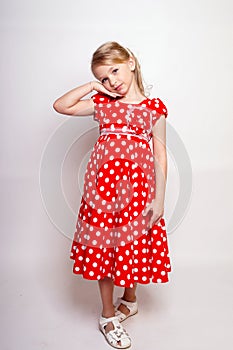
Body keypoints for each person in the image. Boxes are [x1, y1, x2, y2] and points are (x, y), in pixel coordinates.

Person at [53, 41, 172, 349]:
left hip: (137, 192)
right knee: (104, 247)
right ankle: (107, 315)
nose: (112, 81)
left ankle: (130, 300)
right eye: (104, 77)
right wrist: (92, 86)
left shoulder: (153, 108)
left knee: (130, 245)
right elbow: (61, 105)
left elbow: (159, 154)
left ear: (131, 62)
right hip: (102, 192)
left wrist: (158, 198)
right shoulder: (104, 102)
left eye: (115, 71)